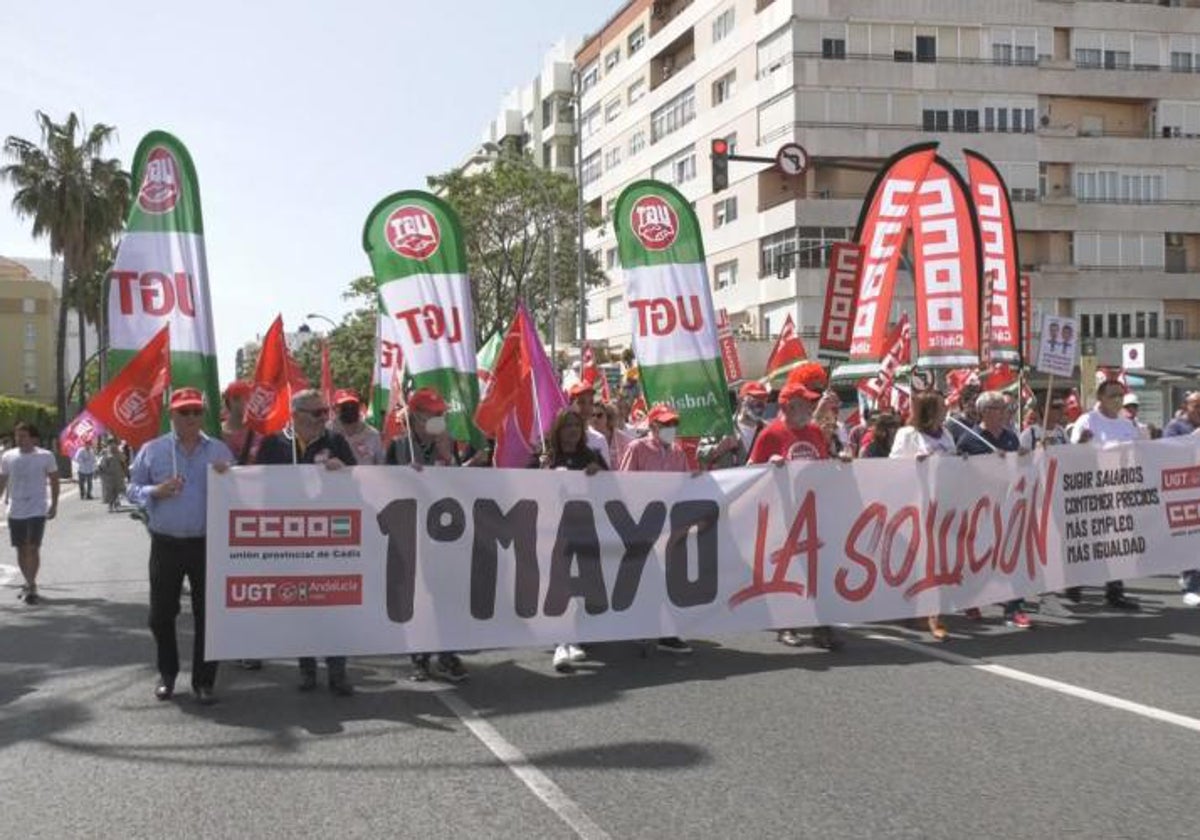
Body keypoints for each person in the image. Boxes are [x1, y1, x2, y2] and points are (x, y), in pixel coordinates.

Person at [127, 390, 233, 704]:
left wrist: (231, 477)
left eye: (195, 412)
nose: (190, 418)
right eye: (183, 412)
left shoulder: (219, 450)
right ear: (171, 415)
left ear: (203, 415)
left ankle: (204, 681)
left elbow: (242, 491)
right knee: (160, 615)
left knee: (208, 615)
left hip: (206, 544)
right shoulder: (153, 450)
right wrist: (155, 490)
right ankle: (168, 673)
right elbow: (131, 490)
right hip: (166, 544)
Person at [256, 389, 357, 696]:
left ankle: (337, 671)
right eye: (316, 413)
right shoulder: (273, 444)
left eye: (325, 412)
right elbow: (254, 485)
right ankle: (307, 668)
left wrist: (346, 472)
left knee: (333, 606)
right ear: (296, 414)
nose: (323, 418)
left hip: (329, 540)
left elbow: (358, 482)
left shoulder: (336, 442)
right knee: (301, 604)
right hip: (291, 541)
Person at [748, 362, 843, 651]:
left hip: (813, 511)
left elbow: (822, 464)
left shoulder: (814, 431)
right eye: (806, 404)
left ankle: (820, 626)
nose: (811, 410)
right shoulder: (771, 434)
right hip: (783, 513)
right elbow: (749, 470)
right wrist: (769, 466)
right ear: (789, 406)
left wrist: (843, 463)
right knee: (788, 570)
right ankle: (786, 624)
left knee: (817, 569)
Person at [385, 387, 470, 682]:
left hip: (444, 537)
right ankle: (419, 657)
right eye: (433, 415)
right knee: (418, 597)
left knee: (446, 595)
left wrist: (448, 456)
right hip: (410, 535)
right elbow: (382, 487)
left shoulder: (447, 445)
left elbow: (461, 486)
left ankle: (448, 653)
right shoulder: (397, 447)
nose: (439, 419)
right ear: (415, 417)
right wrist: (403, 476)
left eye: (441, 414)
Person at [619, 403, 694, 654]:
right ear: (652, 426)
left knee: (668, 578)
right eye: (665, 424)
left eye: (674, 424)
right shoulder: (637, 448)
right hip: (642, 523)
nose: (671, 428)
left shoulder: (678, 452)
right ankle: (641, 626)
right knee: (644, 577)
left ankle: (666, 632)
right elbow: (624, 484)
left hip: (668, 525)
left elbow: (685, 485)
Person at [956, 391, 1033, 629]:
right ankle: (971, 599)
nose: (1004, 413)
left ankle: (1014, 607)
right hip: (980, 508)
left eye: (1004, 408)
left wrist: (1022, 457)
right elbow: (960, 472)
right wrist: (989, 460)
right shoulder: (969, 440)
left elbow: (1022, 470)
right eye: (998, 408)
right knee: (980, 557)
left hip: (1008, 506)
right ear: (985, 412)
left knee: (1012, 556)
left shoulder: (1011, 437)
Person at [1067, 379, 1141, 610]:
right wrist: (1082, 443)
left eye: (1120, 395)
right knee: (1088, 539)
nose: (1118, 400)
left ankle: (1115, 591)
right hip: (1092, 489)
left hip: (1119, 488)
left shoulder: (1127, 424)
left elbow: (1138, 454)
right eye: (1112, 395)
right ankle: (1074, 582)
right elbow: (1073, 453)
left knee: (1116, 541)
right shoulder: (1088, 421)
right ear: (1100, 398)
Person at [888, 391, 957, 640]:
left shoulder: (947, 433)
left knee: (938, 558)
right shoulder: (907, 435)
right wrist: (914, 462)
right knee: (918, 560)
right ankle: (915, 610)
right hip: (915, 504)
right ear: (929, 410)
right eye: (940, 406)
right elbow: (892, 465)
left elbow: (953, 461)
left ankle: (933, 613)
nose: (946, 409)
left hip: (942, 503)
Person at [542, 409, 607, 672]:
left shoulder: (591, 456)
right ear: (558, 430)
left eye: (576, 426)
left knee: (585, 583)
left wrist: (598, 473)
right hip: (553, 531)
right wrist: (541, 470)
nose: (572, 430)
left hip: (586, 530)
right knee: (559, 584)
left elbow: (613, 487)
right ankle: (561, 640)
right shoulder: (546, 457)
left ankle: (578, 637)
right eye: (567, 425)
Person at [0, 422, 59, 605]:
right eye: (18, 436)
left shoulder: (46, 456)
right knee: (20, 548)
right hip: (15, 509)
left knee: (32, 546)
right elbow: (2, 481)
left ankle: (31, 584)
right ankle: (28, 581)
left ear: (34, 438)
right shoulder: (8, 456)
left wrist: (54, 504)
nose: (20, 439)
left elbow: (55, 481)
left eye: (24, 436)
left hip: (37, 508)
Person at [1163, 391, 1200, 606]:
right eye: (1196, 405)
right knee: (1190, 537)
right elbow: (1167, 452)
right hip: (1184, 489)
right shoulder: (1176, 427)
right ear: (1187, 406)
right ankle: (1191, 582)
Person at [699, 381, 768, 470]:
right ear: (741, 400)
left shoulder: (768, 430)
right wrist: (718, 449)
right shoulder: (721, 427)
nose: (760, 403)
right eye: (754, 398)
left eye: (764, 399)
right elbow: (700, 454)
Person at [330, 389, 385, 466]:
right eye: (345, 406)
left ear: (359, 407)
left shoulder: (373, 435)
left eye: (353, 405)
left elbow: (382, 465)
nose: (349, 409)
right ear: (335, 408)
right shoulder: (326, 433)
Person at [567, 382, 611, 466]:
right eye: (581, 402)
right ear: (571, 405)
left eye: (591, 402)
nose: (587, 407)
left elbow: (606, 475)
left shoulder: (599, 439)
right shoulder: (561, 437)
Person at [220, 380, 259, 466]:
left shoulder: (258, 434)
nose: (246, 402)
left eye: (248, 398)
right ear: (229, 401)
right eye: (236, 398)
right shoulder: (217, 433)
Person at [589, 401, 635, 470]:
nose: (595, 418)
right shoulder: (587, 438)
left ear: (608, 417)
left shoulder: (624, 440)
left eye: (599, 415)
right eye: (592, 415)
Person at [97, 438, 127, 511]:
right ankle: (110, 505)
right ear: (108, 445)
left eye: (114, 444)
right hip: (109, 476)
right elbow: (100, 464)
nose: (113, 446)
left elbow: (124, 461)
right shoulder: (105, 453)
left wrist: (125, 473)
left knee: (117, 490)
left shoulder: (119, 453)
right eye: (111, 444)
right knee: (110, 491)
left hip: (118, 474)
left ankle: (116, 505)